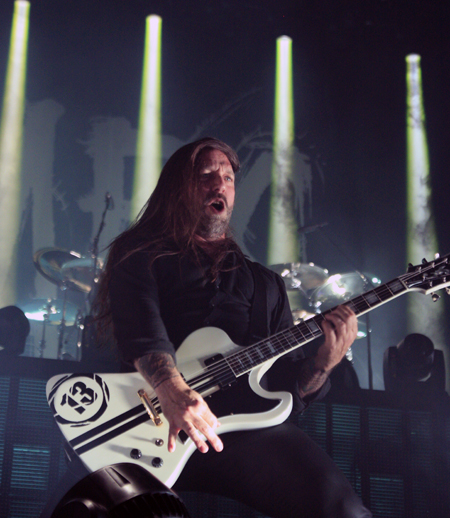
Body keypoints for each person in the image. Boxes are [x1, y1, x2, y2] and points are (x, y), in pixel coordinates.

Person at [95, 137, 372, 518]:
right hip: (153, 423)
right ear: (177, 188)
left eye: (227, 177)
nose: (220, 184)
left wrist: (323, 365)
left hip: (246, 432)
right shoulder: (140, 255)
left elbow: (287, 387)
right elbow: (142, 331)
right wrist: (172, 390)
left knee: (344, 510)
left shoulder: (266, 285)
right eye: (206, 175)